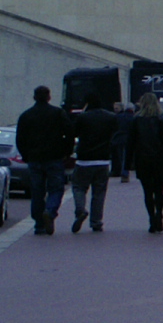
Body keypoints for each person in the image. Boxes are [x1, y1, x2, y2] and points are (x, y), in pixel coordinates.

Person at [14, 86, 74, 235]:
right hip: (54, 156)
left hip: (34, 158)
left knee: (37, 191)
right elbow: (69, 133)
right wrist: (67, 152)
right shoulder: (58, 113)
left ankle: (39, 223)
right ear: (49, 97)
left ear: (34, 97)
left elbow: (20, 138)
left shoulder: (26, 115)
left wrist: (26, 155)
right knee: (56, 188)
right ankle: (50, 210)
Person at [68, 92, 118, 233]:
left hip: (84, 159)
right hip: (103, 159)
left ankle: (80, 210)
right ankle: (96, 222)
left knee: (78, 187)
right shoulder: (110, 117)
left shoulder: (83, 117)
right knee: (99, 192)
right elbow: (114, 134)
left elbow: (74, 133)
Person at [127, 92, 163, 233]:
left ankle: (152, 218)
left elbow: (131, 143)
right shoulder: (161, 120)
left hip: (142, 159)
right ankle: (159, 214)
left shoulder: (136, 120)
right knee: (159, 190)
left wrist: (127, 163)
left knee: (147, 192)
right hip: (160, 159)